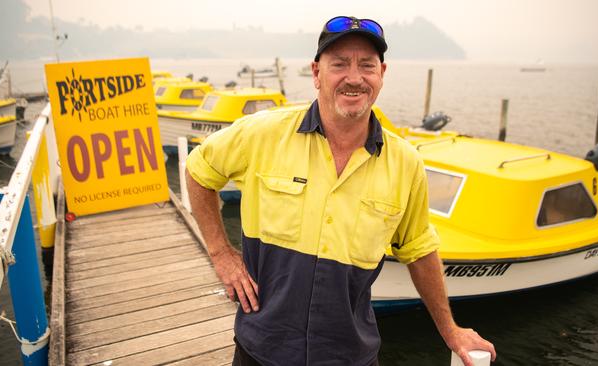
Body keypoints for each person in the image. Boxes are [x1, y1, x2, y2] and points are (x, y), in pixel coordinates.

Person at [185, 15, 496, 366]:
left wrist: (450, 330)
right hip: (262, 350)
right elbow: (198, 171)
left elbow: (419, 250)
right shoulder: (262, 134)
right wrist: (221, 254)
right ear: (317, 73)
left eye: (367, 65)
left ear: (382, 74)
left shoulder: (406, 163)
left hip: (350, 356)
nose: (354, 78)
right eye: (339, 64)